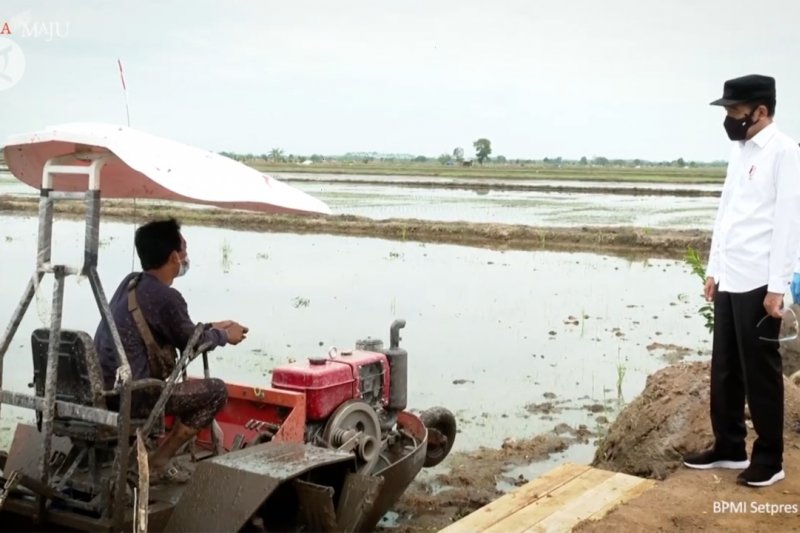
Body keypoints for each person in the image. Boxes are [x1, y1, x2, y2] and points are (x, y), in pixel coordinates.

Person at [682, 75, 800, 487]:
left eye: (735, 112)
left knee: (760, 371)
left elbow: (788, 223)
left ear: (761, 111)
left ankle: (770, 458)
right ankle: (729, 446)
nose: (730, 119)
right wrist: (714, 268)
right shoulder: (741, 150)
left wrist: (777, 287)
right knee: (726, 367)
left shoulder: (785, 153)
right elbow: (727, 214)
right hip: (731, 275)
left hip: (758, 280)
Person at [94, 218, 249, 483]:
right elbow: (192, 343)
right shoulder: (167, 297)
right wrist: (225, 335)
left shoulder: (131, 283)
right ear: (174, 257)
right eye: (184, 252)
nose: (186, 259)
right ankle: (160, 459)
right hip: (136, 397)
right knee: (216, 392)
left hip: (104, 390)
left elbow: (178, 329)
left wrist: (212, 325)